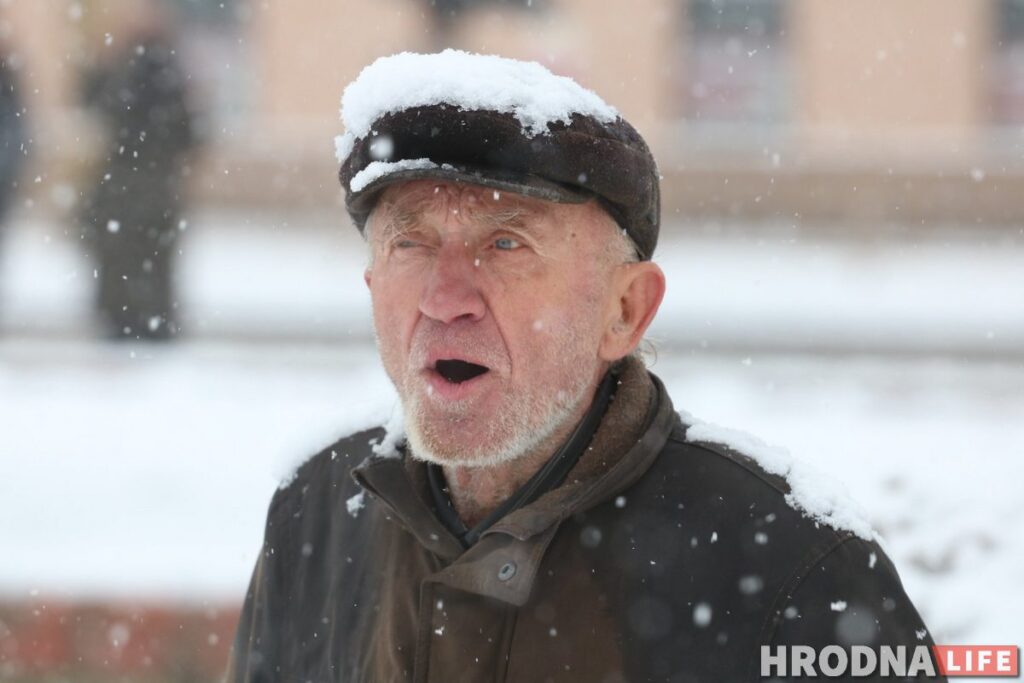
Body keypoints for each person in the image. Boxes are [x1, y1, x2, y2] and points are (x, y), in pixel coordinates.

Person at [228, 51, 943, 682]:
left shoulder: (792, 569)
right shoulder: (315, 515)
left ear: (624, 312)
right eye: (409, 244)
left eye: (507, 244)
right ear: (373, 287)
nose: (446, 299)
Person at [79, 13, 197, 340]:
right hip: (158, 186)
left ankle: (123, 319)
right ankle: (153, 319)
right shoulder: (172, 79)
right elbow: (191, 134)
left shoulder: (122, 76)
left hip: (126, 185)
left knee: (122, 258)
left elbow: (96, 106)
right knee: (154, 259)